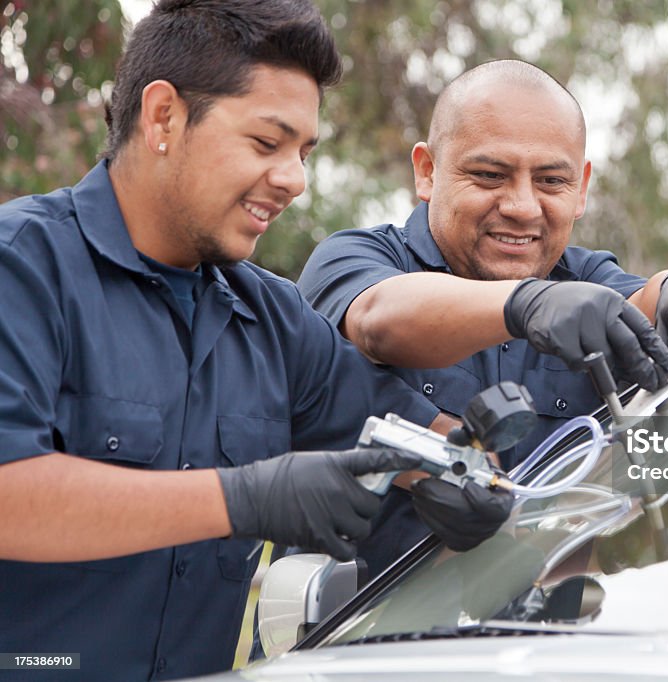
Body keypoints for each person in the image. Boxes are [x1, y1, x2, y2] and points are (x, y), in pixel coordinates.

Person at [0, 2, 505, 679]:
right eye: (267, 144)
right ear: (163, 118)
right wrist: (243, 498)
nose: (295, 180)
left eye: (303, 153)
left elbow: (405, 433)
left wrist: (464, 474)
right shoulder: (21, 268)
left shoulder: (274, 318)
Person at [297, 59, 668, 578]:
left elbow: (643, 307)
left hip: (537, 645)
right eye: (490, 175)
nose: (521, 205)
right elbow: (379, 318)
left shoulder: (585, 280)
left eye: (550, 180)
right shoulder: (354, 259)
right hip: (354, 646)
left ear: (581, 188)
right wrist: (525, 305)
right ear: (427, 171)